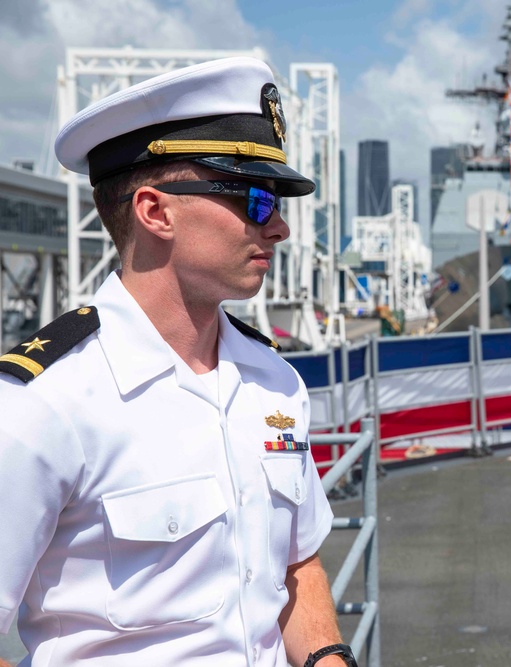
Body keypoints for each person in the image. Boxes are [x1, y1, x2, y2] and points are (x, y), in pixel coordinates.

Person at [0, 58, 356, 667]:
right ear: (155, 211)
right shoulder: (41, 406)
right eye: (256, 198)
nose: (281, 228)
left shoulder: (276, 383)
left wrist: (329, 659)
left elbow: (296, 565)